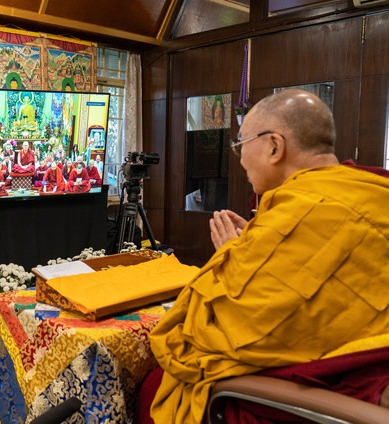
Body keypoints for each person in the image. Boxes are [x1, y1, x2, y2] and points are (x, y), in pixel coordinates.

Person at [143, 89, 389, 424]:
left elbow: (222, 334)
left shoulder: (305, 210)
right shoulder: (367, 191)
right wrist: (255, 249)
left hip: (323, 389)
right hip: (367, 363)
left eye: (241, 144)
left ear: (274, 146)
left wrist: (231, 255)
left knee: (154, 386)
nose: (240, 158)